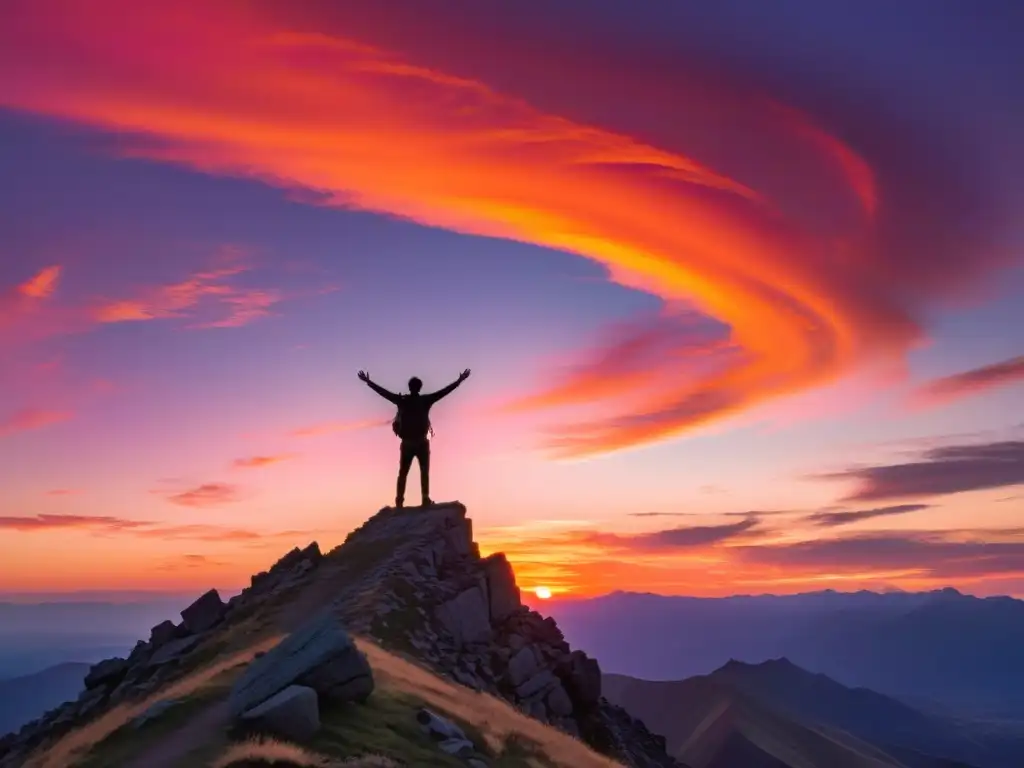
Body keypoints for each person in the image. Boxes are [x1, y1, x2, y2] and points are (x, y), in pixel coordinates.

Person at [357, 368, 471, 508]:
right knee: (423, 472)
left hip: (408, 443)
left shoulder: (402, 400)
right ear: (419, 387)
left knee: (403, 473)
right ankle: (424, 499)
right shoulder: (425, 400)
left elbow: (384, 393)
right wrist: (459, 381)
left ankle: (400, 501)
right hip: (421, 442)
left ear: (410, 388)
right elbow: (444, 392)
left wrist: (369, 382)